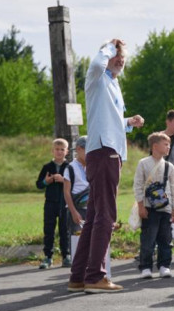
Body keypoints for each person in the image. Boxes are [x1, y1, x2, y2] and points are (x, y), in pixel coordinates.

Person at [68, 39, 145, 294]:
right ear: (107, 56)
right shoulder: (97, 76)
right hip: (104, 152)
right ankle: (96, 276)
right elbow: (95, 63)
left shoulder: (113, 83)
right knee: (107, 216)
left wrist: (129, 122)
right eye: (116, 55)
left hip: (107, 151)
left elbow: (111, 121)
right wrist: (109, 46)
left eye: (123, 55)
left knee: (93, 217)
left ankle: (78, 276)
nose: (120, 58)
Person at [133, 132, 174, 279]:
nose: (168, 147)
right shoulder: (143, 163)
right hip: (149, 207)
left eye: (169, 145)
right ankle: (146, 267)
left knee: (165, 239)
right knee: (148, 238)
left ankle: (164, 266)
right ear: (155, 146)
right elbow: (138, 186)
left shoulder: (169, 166)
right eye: (165, 144)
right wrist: (141, 206)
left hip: (165, 207)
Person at [36, 138, 72, 269]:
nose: (59, 152)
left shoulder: (69, 166)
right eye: (57, 149)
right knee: (49, 229)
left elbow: (74, 184)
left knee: (65, 230)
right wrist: (47, 181)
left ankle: (66, 255)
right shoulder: (47, 167)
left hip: (65, 202)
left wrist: (64, 180)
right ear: (52, 151)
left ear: (66, 151)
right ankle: (48, 257)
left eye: (62, 149)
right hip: (50, 202)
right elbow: (38, 184)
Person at [64, 136, 89, 235]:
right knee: (77, 242)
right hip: (77, 211)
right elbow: (66, 192)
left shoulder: (93, 167)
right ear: (79, 149)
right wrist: (74, 212)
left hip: (92, 210)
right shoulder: (70, 168)